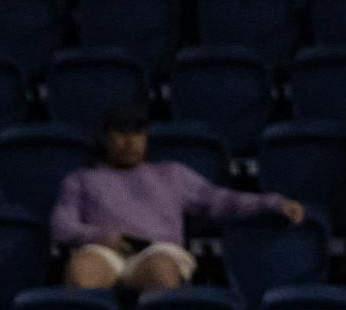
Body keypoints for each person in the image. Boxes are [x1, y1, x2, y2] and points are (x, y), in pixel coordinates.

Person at [53, 105, 305, 292]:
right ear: (105, 137)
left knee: (161, 269)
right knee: (80, 270)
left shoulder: (172, 174)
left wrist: (273, 203)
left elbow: (221, 200)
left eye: (137, 132)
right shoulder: (82, 179)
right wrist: (101, 236)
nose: (129, 141)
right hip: (103, 249)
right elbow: (62, 227)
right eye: (121, 132)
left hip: (157, 249)